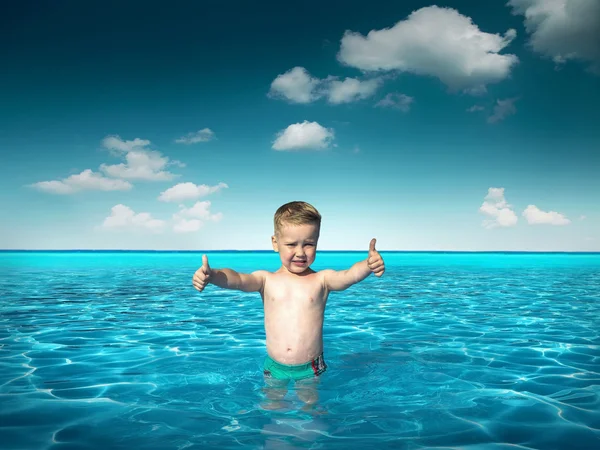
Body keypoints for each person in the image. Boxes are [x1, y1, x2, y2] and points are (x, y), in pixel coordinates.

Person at [192, 201, 385, 408]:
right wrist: (213, 276)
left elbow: (348, 276)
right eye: (291, 244)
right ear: (275, 243)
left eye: (309, 244)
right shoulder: (265, 280)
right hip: (275, 366)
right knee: (272, 406)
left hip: (311, 366)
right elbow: (237, 279)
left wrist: (367, 265)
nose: (300, 252)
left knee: (311, 408)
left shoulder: (322, 280)